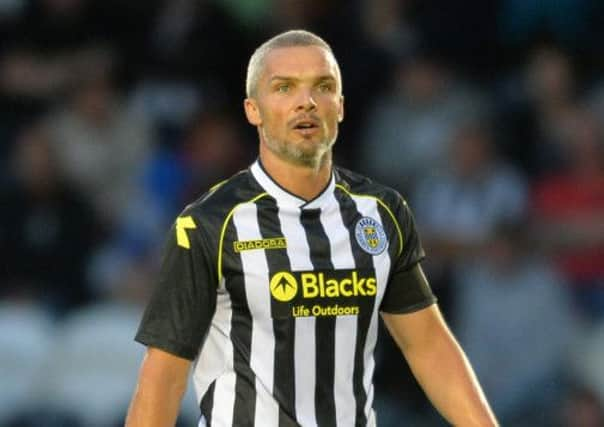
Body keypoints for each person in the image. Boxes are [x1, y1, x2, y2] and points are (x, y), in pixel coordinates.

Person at [126, 30, 498, 427]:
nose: (306, 101)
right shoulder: (211, 224)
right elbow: (163, 375)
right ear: (253, 110)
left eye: (323, 86)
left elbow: (426, 345)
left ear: (339, 106)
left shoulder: (382, 212)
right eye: (284, 87)